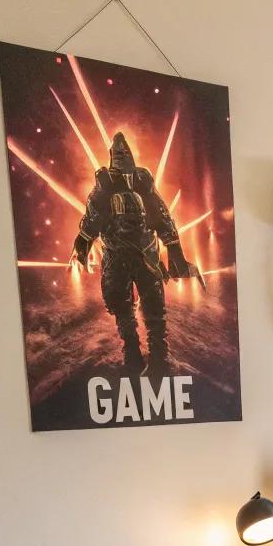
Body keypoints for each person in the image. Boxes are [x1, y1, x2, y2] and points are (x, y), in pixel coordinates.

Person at [69, 131, 203, 378]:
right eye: (117, 152)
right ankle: (132, 352)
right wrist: (82, 247)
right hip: (116, 255)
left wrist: (176, 255)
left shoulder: (143, 182)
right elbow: (92, 219)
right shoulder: (105, 184)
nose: (121, 153)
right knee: (121, 306)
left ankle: (158, 359)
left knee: (153, 310)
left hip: (146, 255)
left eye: (124, 151)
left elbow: (163, 218)